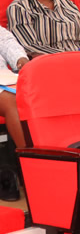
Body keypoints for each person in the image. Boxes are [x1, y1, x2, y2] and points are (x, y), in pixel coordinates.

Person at [0, 25, 29, 201]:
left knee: (38, 93)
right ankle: (34, 168)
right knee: (13, 103)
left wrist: (20, 59)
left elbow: (6, 40)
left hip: (5, 78)